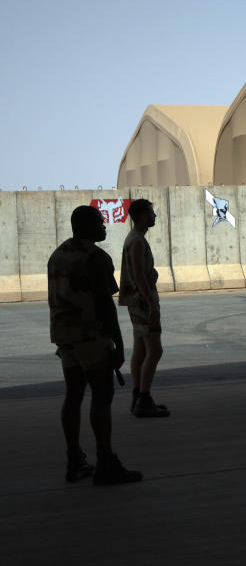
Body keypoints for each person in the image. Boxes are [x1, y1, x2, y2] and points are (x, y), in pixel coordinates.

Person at [48, 205, 142, 485]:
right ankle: (105, 462)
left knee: (73, 395)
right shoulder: (95, 257)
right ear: (87, 226)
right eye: (100, 222)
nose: (104, 226)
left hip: (65, 337)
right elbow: (104, 304)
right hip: (90, 337)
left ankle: (74, 459)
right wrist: (118, 343)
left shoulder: (58, 255)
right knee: (102, 397)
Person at [118, 198, 169, 417]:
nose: (154, 216)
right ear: (141, 216)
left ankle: (138, 395)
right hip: (142, 301)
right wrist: (150, 302)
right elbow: (139, 274)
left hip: (136, 300)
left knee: (140, 349)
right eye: (151, 212)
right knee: (155, 350)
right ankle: (144, 399)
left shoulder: (133, 238)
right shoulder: (137, 241)